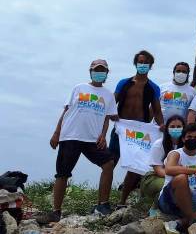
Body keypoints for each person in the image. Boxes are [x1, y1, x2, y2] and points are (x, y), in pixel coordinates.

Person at [48, 59, 118, 222]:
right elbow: (66, 110)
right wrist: (57, 132)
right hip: (71, 135)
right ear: (90, 71)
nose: (99, 72)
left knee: (108, 163)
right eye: (96, 69)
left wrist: (103, 135)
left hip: (92, 139)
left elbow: (107, 118)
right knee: (62, 173)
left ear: (107, 73)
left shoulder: (108, 95)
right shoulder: (79, 88)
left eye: (102, 70)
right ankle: (56, 211)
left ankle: (103, 204)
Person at [113, 50, 164, 208]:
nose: (143, 65)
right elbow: (112, 102)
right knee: (110, 162)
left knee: (135, 167)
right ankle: (103, 200)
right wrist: (111, 115)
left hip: (139, 131)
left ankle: (122, 201)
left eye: (146, 62)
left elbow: (156, 109)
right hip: (121, 128)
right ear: (136, 63)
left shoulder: (153, 87)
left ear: (150, 65)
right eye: (140, 61)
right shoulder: (124, 83)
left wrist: (162, 125)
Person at [141, 115, 186, 214]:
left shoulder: (187, 145)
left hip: (179, 177)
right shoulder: (159, 144)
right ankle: (154, 208)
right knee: (167, 185)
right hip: (155, 177)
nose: (176, 129)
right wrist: (174, 176)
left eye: (179, 127)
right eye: (172, 127)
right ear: (167, 128)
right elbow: (158, 170)